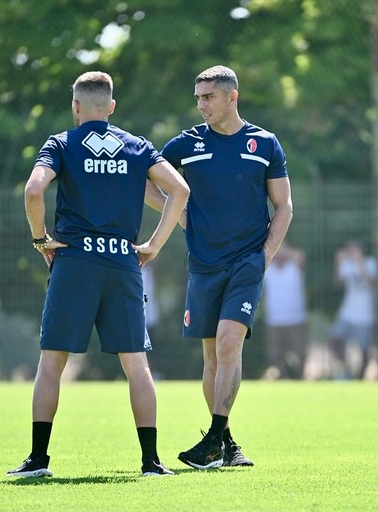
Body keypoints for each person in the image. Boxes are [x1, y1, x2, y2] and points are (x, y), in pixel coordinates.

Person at [6, 71, 189, 478]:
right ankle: (151, 463)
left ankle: (38, 461)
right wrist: (154, 246)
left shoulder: (61, 144)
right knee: (136, 365)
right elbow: (180, 190)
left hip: (74, 261)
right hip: (123, 262)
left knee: (51, 363)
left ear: (75, 107)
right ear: (111, 107)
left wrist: (41, 240)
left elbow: (33, 191)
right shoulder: (137, 147)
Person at [146, 65, 293, 469]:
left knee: (229, 343)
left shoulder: (264, 144)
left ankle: (212, 439)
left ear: (232, 96)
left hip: (247, 262)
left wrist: (264, 257)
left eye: (208, 97)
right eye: (198, 98)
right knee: (211, 357)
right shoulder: (185, 144)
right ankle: (224, 444)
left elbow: (284, 207)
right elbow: (147, 177)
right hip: (203, 264)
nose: (201, 105)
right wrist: (178, 213)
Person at [328, 240, 377, 380]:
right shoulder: (346, 265)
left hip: (365, 315)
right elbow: (337, 284)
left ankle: (361, 378)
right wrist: (338, 263)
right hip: (348, 313)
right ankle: (347, 370)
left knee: (364, 350)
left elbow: (371, 284)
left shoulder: (370, 263)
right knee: (334, 340)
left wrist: (360, 264)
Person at [262, 241, 308, 380]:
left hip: (296, 319)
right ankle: (282, 378)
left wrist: (279, 243)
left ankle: (300, 378)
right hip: (274, 320)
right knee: (275, 354)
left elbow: (300, 256)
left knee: (300, 353)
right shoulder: (268, 269)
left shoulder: (294, 266)